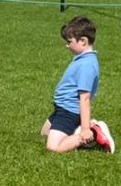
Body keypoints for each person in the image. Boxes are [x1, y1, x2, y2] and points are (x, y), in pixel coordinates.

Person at [41, 16, 115, 154]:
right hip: (61, 108)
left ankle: (92, 131)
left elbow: (84, 98)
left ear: (83, 41)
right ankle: (78, 129)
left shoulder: (87, 65)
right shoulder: (83, 59)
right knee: (44, 133)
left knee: (53, 147)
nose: (67, 45)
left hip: (69, 111)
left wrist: (86, 129)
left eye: (69, 42)